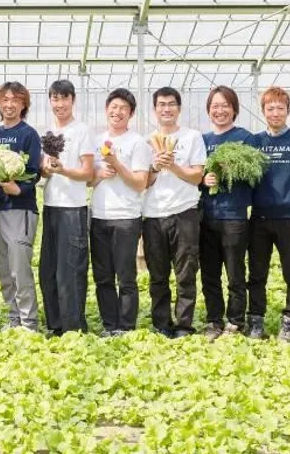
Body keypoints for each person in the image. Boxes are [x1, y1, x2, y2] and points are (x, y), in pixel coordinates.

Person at [248, 86, 290, 342]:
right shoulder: (254, 142)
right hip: (259, 219)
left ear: (288, 110)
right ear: (263, 111)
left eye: (280, 108)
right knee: (256, 273)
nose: (275, 112)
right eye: (270, 108)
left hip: (289, 219)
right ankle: (255, 320)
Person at [142, 86, 206, 338]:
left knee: (186, 272)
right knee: (157, 275)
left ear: (179, 108)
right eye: (161, 104)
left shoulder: (192, 137)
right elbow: (142, 182)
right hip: (154, 214)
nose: (166, 109)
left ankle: (183, 325)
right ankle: (161, 324)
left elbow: (197, 176)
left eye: (171, 104)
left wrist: (174, 165)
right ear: (155, 109)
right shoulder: (146, 141)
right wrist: (155, 168)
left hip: (184, 213)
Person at [89, 88, 149, 337]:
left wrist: (116, 164)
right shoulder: (96, 141)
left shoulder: (137, 143)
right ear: (106, 110)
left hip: (126, 217)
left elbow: (139, 183)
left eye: (123, 108)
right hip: (99, 216)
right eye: (113, 107)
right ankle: (109, 325)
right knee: (103, 277)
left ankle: (126, 326)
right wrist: (98, 174)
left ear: (131, 113)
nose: (117, 111)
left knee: (126, 276)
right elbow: (88, 180)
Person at [199, 86, 255, 340]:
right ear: (209, 110)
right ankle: (213, 320)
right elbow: (192, 173)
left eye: (225, 106)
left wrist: (232, 170)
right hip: (205, 216)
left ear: (234, 109)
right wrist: (203, 179)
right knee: (210, 273)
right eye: (215, 106)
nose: (219, 110)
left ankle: (235, 320)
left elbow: (255, 174)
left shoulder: (245, 138)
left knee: (234, 271)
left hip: (233, 216)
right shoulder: (202, 141)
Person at [40, 79, 95, 336]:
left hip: (73, 208)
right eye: (55, 98)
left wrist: (63, 169)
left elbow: (87, 173)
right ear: (50, 101)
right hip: (50, 206)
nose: (59, 104)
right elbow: (42, 172)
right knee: (48, 270)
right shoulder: (47, 131)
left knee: (70, 271)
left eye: (64, 98)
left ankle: (74, 327)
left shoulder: (82, 130)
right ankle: (56, 325)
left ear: (72, 100)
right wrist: (46, 169)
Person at [0, 82, 42, 331]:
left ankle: (29, 323)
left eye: (15, 100)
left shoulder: (29, 134)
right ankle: (13, 318)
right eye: (5, 100)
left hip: (22, 209)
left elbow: (34, 172)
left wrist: (18, 189)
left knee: (20, 269)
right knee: (5, 268)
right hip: (1, 209)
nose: (9, 104)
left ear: (23, 105)